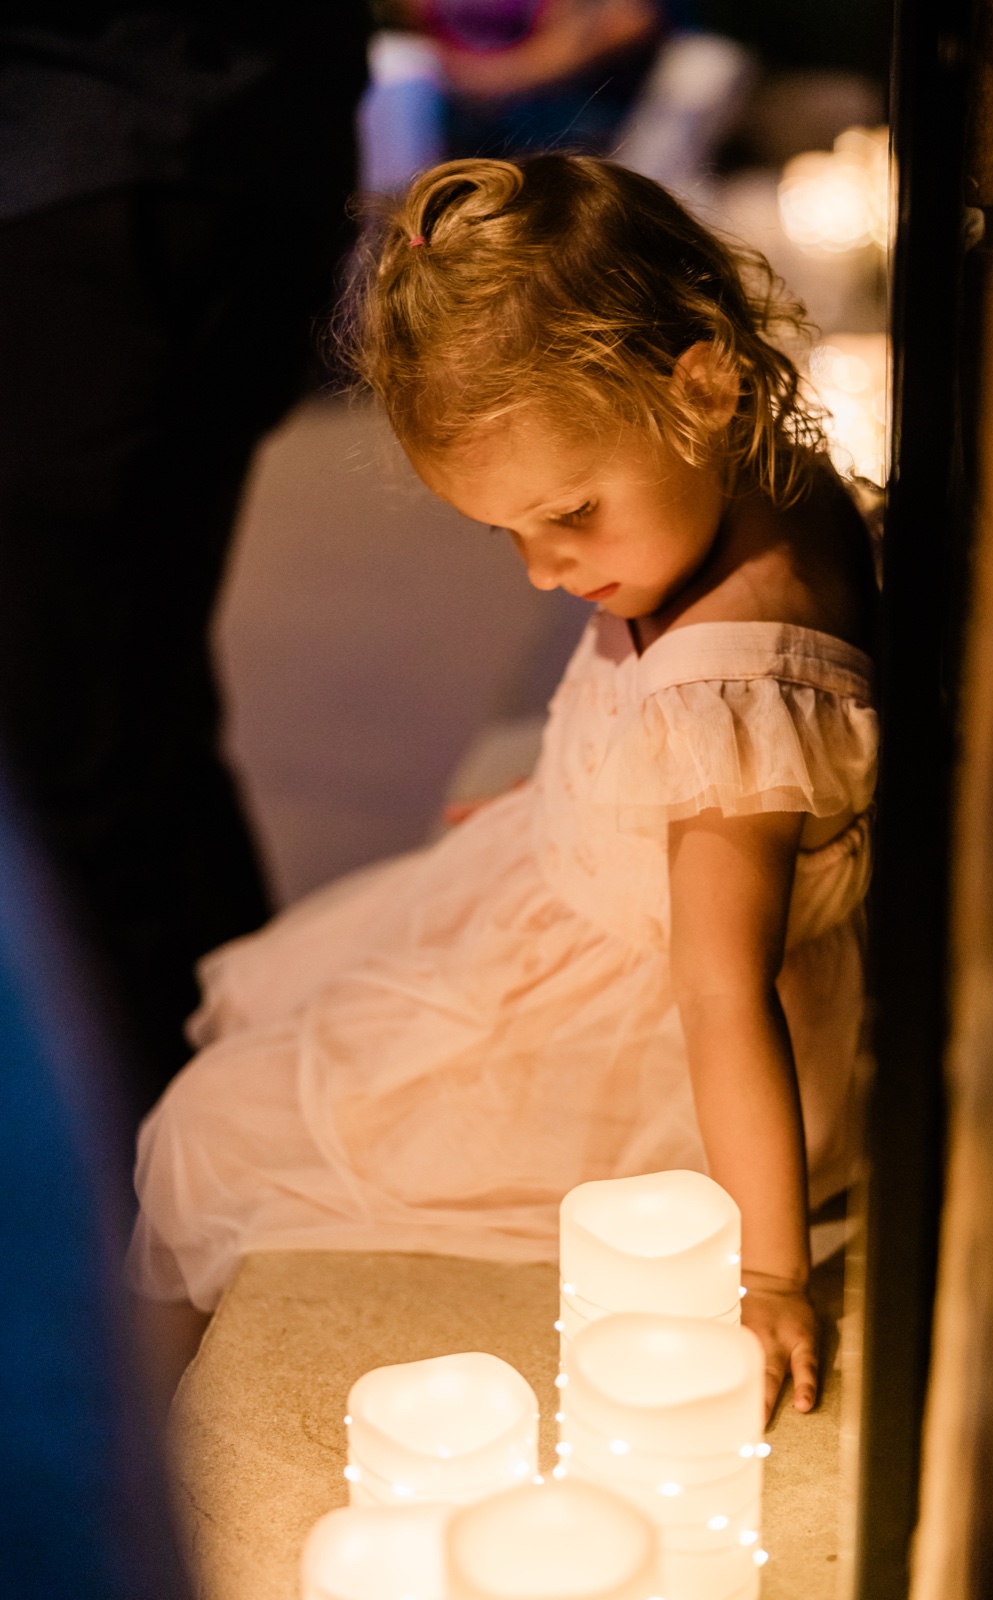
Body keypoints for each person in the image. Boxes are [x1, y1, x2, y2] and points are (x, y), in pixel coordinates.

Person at [129, 154, 879, 1418]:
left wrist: (763, 1269)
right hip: (580, 890)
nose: (542, 570)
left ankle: (109, 1473)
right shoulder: (748, 478)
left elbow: (716, 984)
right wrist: (582, 788)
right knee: (270, 1007)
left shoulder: (726, 698)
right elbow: (645, 733)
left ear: (701, 380)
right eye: (508, 533)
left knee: (206, 1136)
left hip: (639, 1045)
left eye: (569, 513)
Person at [0, 6, 368, 1114]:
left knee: (77, 746)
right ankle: (230, 1132)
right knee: (132, 720)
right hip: (247, 160)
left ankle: (177, 1168)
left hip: (85, 178)